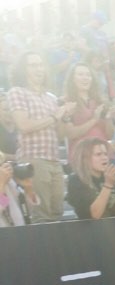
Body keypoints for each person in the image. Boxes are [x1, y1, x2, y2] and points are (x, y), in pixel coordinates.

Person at [8, 52, 73, 223]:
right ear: (23, 69)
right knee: (41, 216)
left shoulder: (51, 98)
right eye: (33, 65)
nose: (39, 69)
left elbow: (60, 135)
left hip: (54, 160)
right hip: (33, 159)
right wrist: (54, 117)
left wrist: (65, 117)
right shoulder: (17, 92)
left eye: (41, 65)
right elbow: (24, 125)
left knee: (57, 212)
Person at [66, 137, 115, 220]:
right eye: (98, 154)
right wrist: (108, 185)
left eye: (105, 154)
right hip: (93, 227)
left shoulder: (114, 176)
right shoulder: (76, 180)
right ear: (84, 158)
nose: (104, 158)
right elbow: (95, 215)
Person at [62, 62, 113, 166]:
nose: (85, 78)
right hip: (81, 157)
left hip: (103, 156)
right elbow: (71, 133)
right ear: (72, 79)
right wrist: (94, 120)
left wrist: (109, 119)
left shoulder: (101, 101)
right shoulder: (66, 102)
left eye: (88, 75)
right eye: (80, 74)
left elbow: (109, 135)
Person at [0, 152, 40, 226]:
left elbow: (26, 209)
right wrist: (1, 184)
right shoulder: (3, 181)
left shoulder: (8, 181)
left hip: (19, 229)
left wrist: (28, 188)